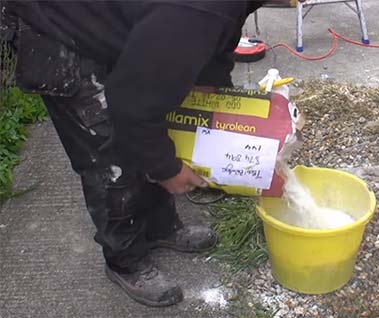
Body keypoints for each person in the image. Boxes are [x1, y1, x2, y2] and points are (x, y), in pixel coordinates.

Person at [2, 0, 270, 307]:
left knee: (161, 109)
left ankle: (159, 226)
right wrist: (166, 169)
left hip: (119, 19)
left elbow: (223, 26)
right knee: (107, 153)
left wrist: (210, 80)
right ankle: (125, 258)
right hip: (56, 26)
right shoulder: (199, 9)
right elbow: (133, 105)